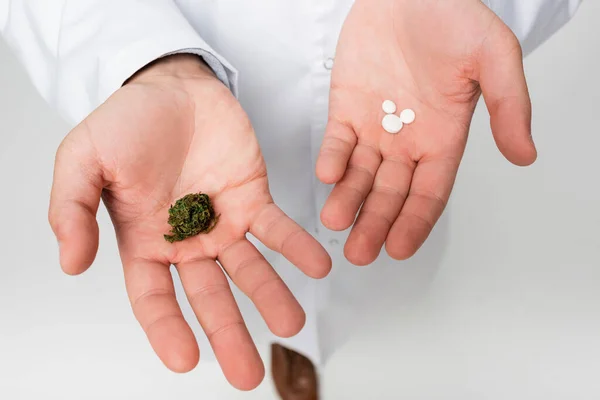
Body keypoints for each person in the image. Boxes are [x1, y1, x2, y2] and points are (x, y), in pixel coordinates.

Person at [0, 0, 582, 397]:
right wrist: (147, 61)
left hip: (408, 100)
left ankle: (320, 342)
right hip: (206, 110)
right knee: (253, 278)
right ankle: (291, 349)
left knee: (380, 250)